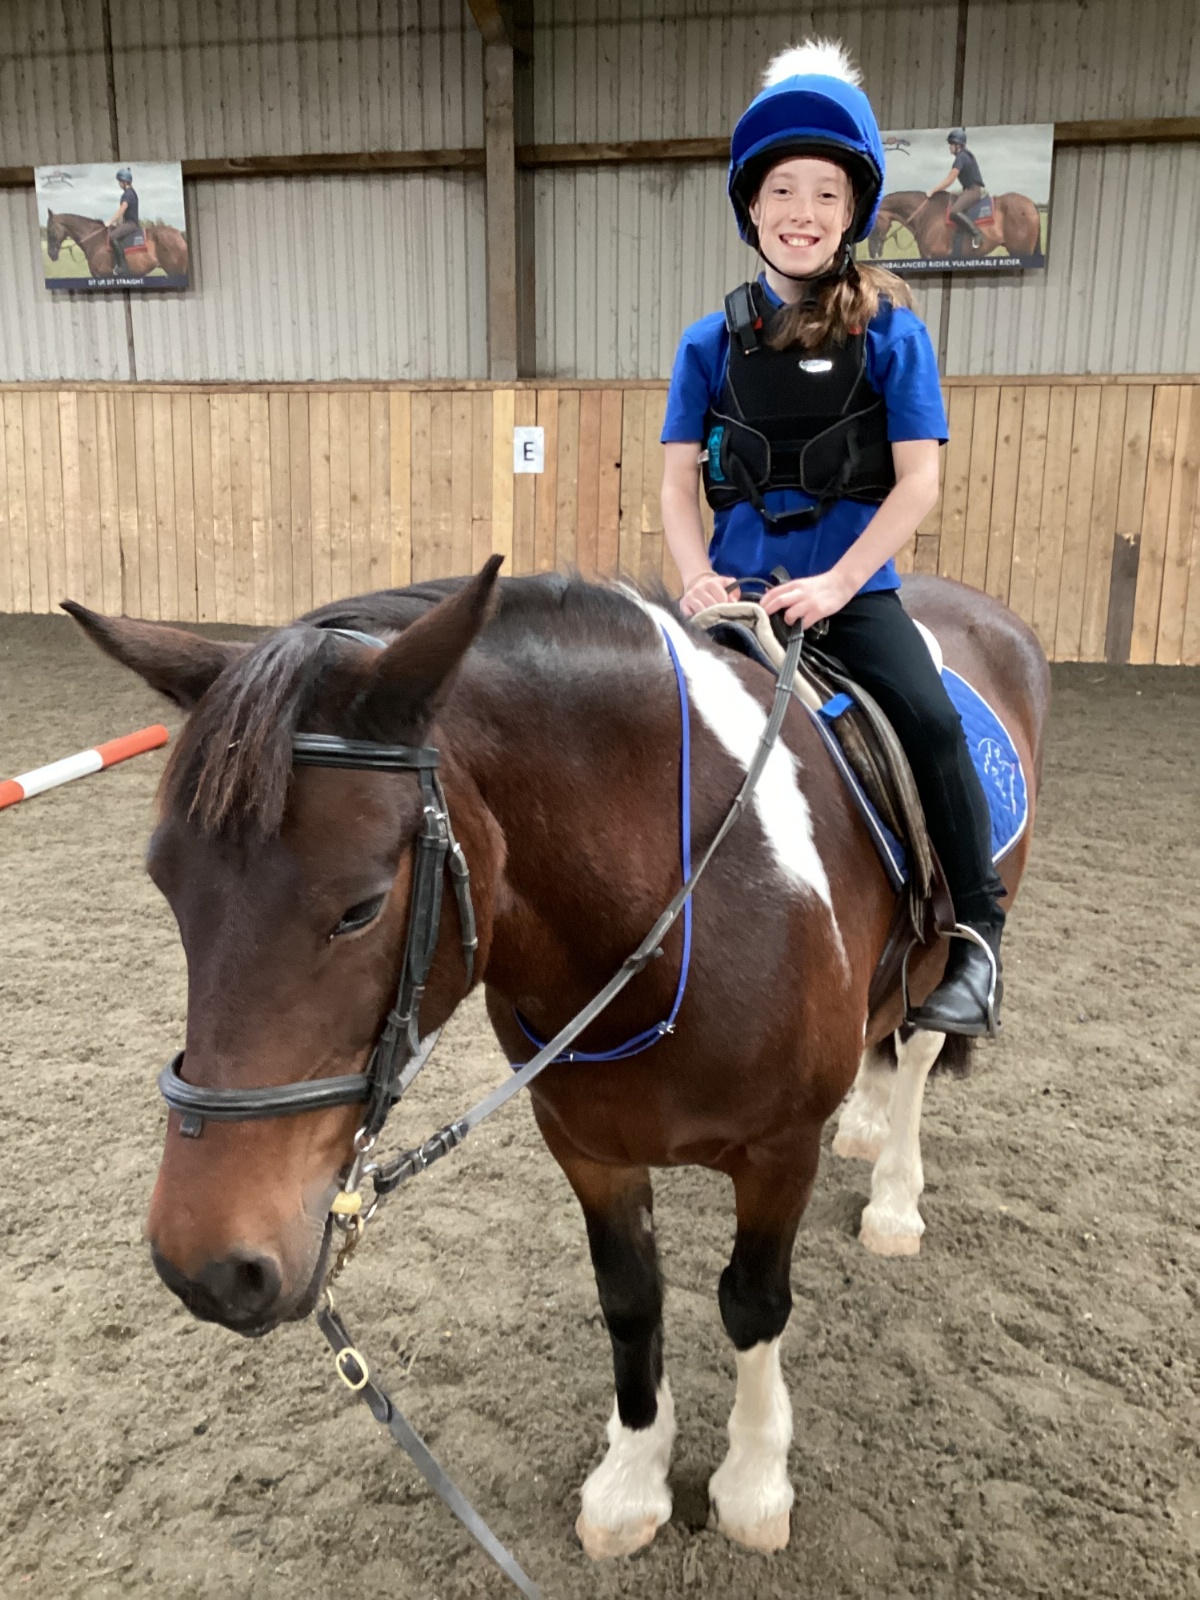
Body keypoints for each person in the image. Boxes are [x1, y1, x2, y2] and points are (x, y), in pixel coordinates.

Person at [660, 39, 1006, 1037]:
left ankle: (976, 936)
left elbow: (917, 481)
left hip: (850, 595)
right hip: (735, 600)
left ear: (852, 211)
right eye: (781, 191)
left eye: (824, 193)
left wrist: (840, 585)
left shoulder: (893, 334)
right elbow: (678, 485)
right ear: (752, 207)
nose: (801, 211)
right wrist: (696, 576)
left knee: (931, 722)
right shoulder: (707, 343)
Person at [928, 129, 985, 250]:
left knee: (954, 211)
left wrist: (933, 190)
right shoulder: (964, 155)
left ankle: (977, 234)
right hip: (967, 190)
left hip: (972, 191)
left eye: (951, 144)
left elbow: (949, 180)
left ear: (957, 145)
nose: (949, 147)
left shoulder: (961, 157)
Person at [106, 167, 140, 277]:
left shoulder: (128, 194)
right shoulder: (130, 192)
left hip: (131, 224)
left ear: (124, 182)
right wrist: (117, 223)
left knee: (112, 236)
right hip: (128, 223)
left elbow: (122, 209)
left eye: (120, 181)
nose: (119, 184)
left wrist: (110, 221)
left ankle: (122, 266)